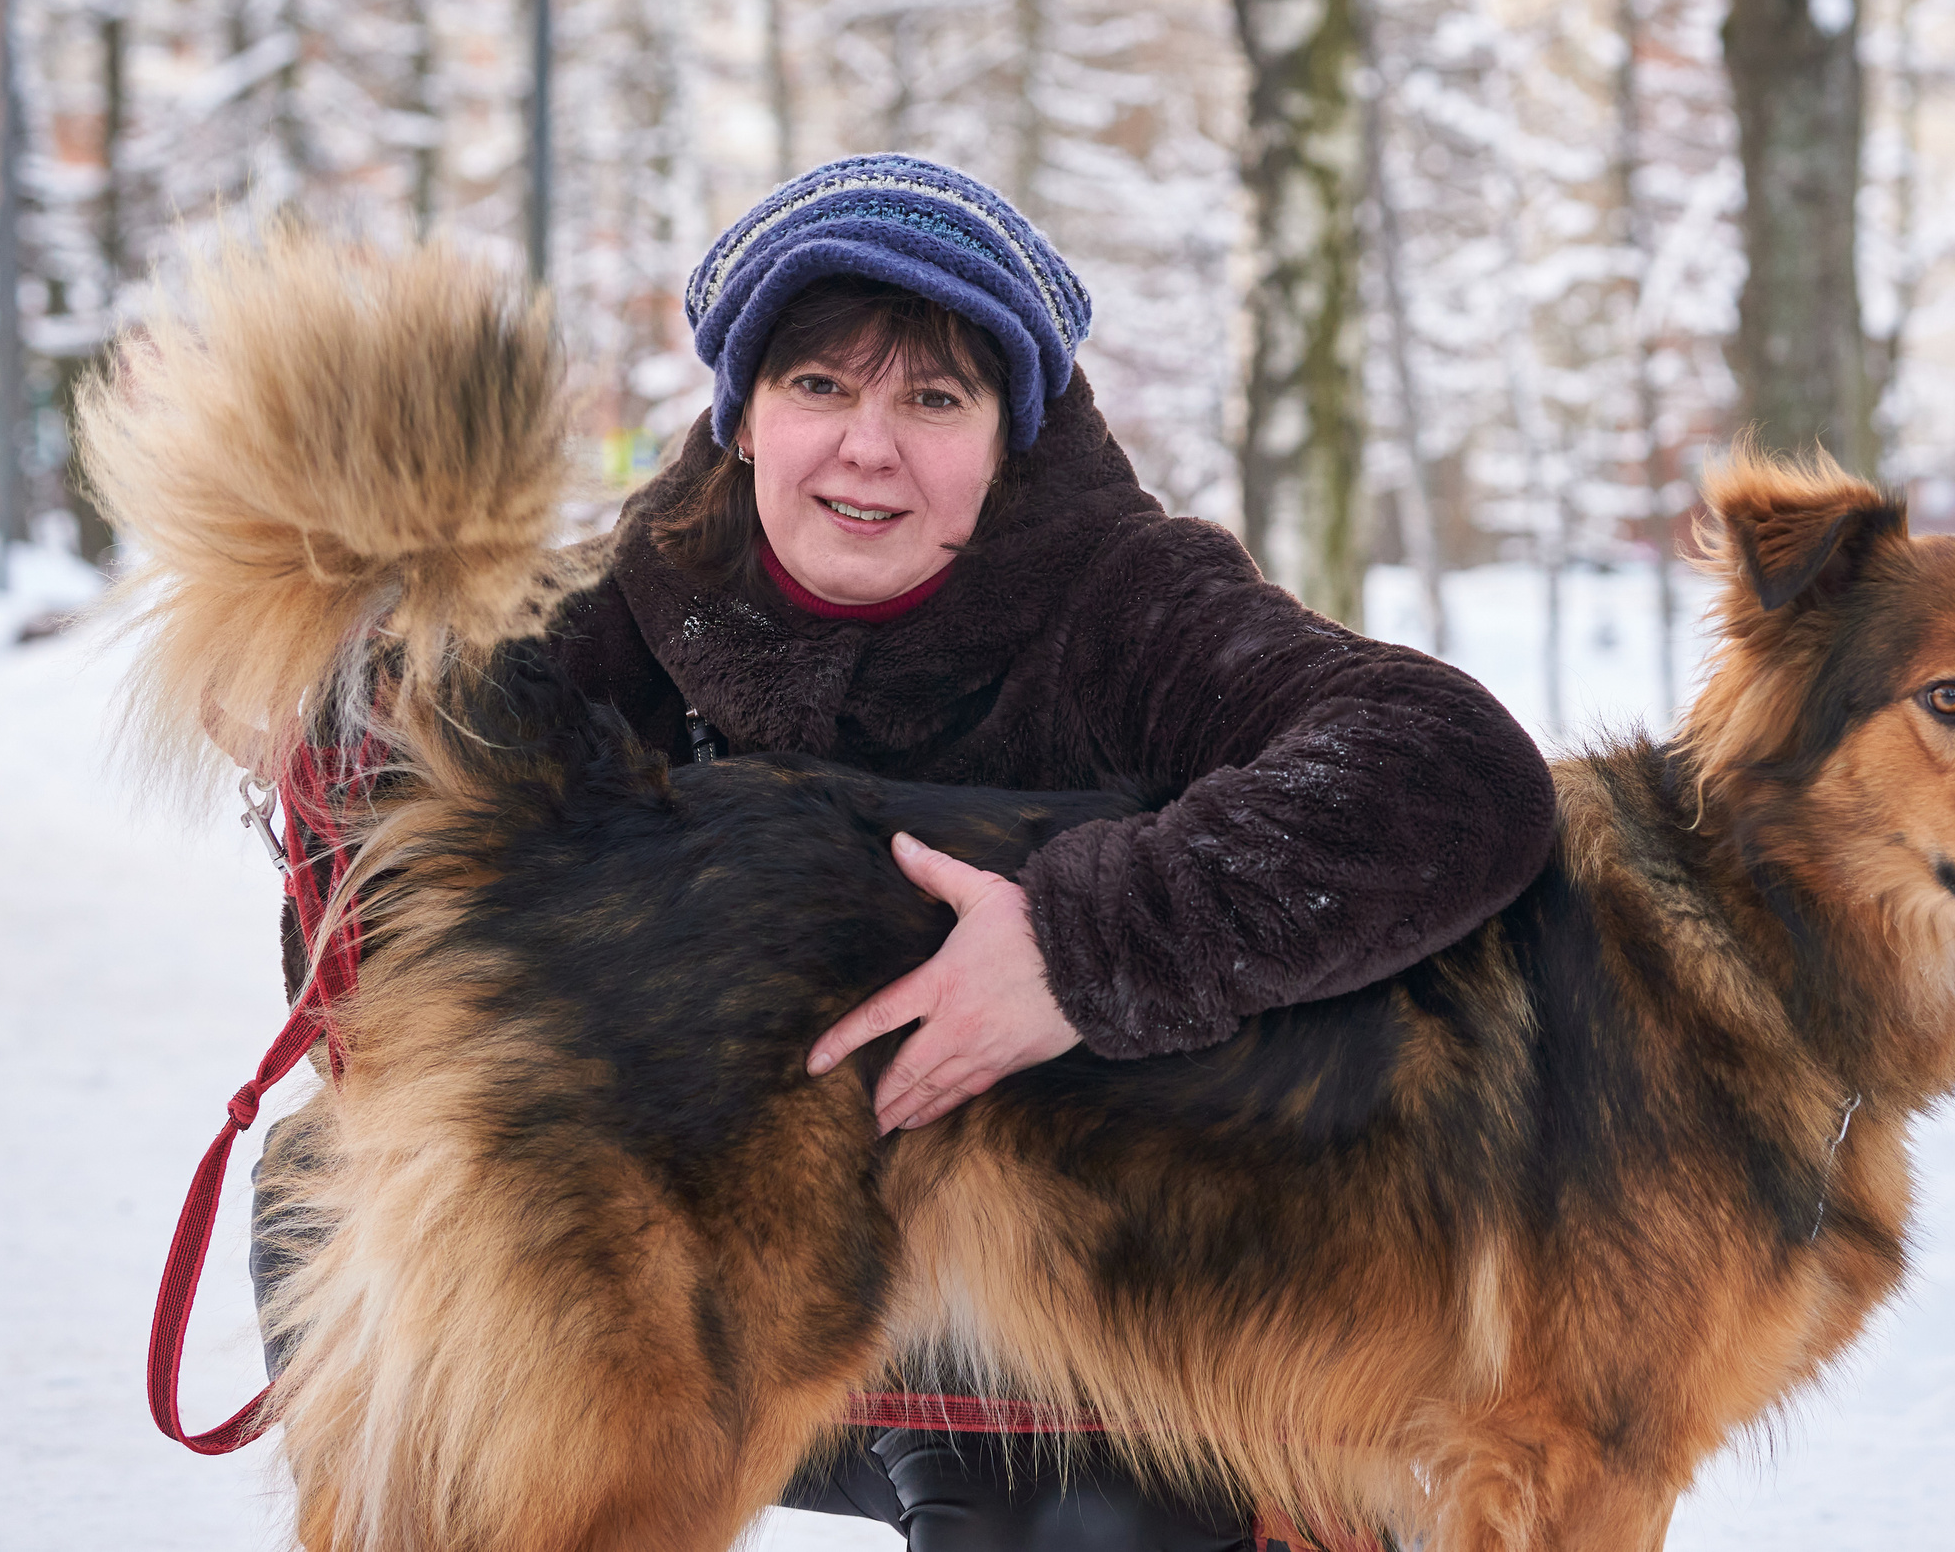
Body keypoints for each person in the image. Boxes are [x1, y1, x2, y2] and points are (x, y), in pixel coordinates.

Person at [256, 153, 1558, 1551]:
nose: (868, 447)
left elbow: (1452, 771)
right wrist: (341, 725)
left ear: (1011, 437)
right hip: (735, 1237)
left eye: (934, 399)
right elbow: (390, 986)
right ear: (745, 420)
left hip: (1073, 1296)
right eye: (820, 387)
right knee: (323, 1196)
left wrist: (1082, 947)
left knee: (1074, 1527)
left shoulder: (1129, 600)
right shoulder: (627, 605)